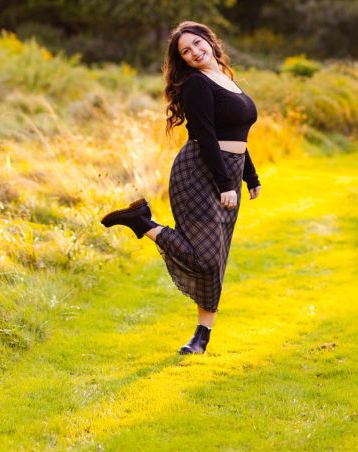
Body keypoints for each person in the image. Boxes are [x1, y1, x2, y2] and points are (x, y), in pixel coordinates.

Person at [101, 20, 261, 354]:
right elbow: (205, 136)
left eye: (196, 44)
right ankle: (142, 222)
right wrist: (223, 184)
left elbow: (238, 135)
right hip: (199, 174)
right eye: (185, 52)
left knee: (216, 259)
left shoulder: (226, 81)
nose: (194, 52)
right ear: (183, 61)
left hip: (226, 174)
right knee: (204, 258)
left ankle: (201, 338)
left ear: (209, 41)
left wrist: (250, 177)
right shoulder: (197, 85)